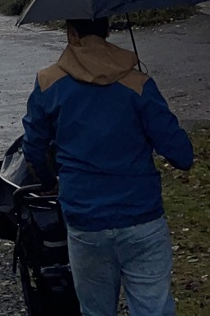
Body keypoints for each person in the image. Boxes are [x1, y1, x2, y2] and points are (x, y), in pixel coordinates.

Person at [23, 17, 195, 316]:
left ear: (71, 33)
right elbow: (181, 155)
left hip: (84, 218)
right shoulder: (138, 84)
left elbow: (33, 148)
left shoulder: (48, 82)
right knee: (153, 308)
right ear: (108, 30)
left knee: (96, 311)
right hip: (141, 216)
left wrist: (51, 180)